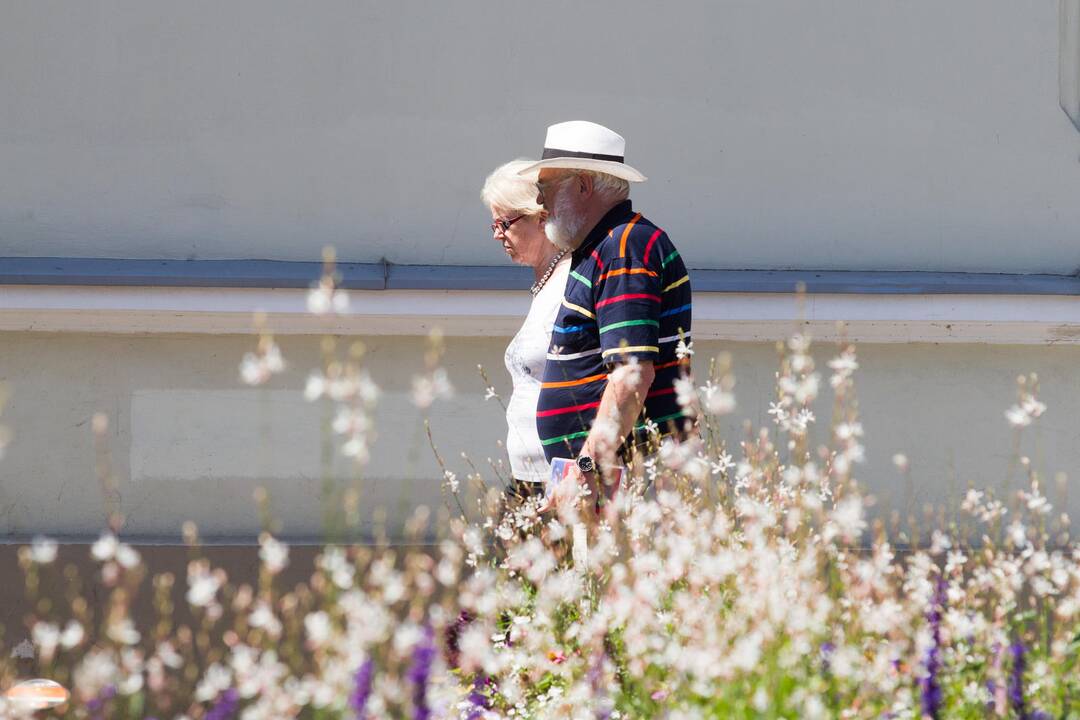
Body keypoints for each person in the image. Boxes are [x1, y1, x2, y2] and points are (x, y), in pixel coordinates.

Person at [519, 121, 693, 513]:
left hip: (618, 479)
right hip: (609, 476)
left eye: (544, 188)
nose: (539, 203)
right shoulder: (604, 247)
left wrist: (585, 471)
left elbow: (631, 375)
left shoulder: (623, 248)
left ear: (583, 186)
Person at [480, 159, 572, 502]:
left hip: (557, 480)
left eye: (504, 222)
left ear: (541, 217)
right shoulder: (545, 282)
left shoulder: (569, 282)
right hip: (528, 477)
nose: (496, 234)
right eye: (493, 223)